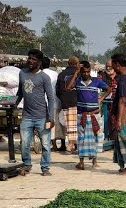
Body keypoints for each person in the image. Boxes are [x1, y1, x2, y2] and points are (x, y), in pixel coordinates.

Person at [15, 48, 56, 176]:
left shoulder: (44, 77)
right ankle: (27, 164)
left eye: (34, 59)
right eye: (29, 58)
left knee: (45, 144)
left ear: (39, 62)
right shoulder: (22, 73)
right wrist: (12, 105)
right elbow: (20, 93)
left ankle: (45, 167)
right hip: (27, 116)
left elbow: (50, 98)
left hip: (42, 117)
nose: (30, 61)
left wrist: (51, 117)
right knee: (24, 144)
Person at [106, 53, 126, 174]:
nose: (111, 67)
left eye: (113, 64)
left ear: (117, 64)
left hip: (125, 113)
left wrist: (118, 120)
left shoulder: (124, 80)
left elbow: (122, 100)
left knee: (125, 139)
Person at [71, 61, 105, 170]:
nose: (86, 74)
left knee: (95, 137)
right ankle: (81, 162)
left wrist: (101, 98)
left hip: (94, 114)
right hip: (82, 115)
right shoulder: (77, 81)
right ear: (81, 72)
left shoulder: (96, 81)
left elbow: (108, 89)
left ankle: (95, 161)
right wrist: (76, 73)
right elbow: (68, 87)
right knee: (81, 138)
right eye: (84, 72)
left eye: (87, 71)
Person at [55, 55, 80, 153]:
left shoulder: (61, 74)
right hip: (76, 101)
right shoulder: (79, 74)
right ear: (77, 64)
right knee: (74, 124)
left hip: (65, 102)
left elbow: (57, 90)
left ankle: (72, 144)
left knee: (69, 124)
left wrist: (62, 98)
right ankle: (71, 144)